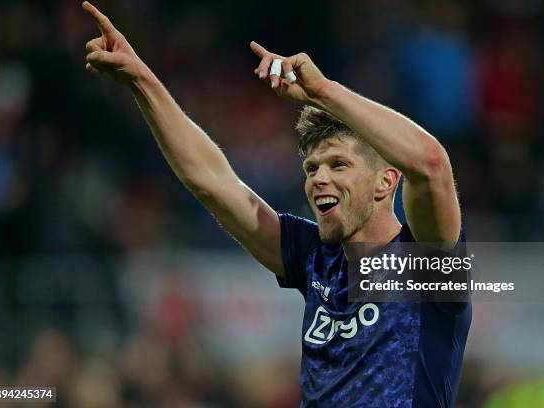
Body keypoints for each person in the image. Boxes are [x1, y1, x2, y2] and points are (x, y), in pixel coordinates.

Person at [82, 2, 471, 406]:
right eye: (311, 167)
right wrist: (141, 79)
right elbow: (212, 181)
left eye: (339, 164)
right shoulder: (314, 258)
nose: (319, 177)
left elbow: (430, 164)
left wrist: (323, 92)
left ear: (386, 182)